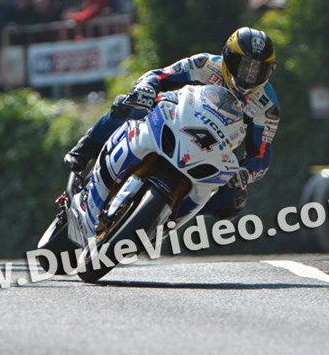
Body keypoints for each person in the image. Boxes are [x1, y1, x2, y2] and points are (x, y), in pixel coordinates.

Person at [63, 27, 280, 221]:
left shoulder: (267, 106)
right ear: (228, 58)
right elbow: (160, 75)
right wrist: (146, 88)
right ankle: (85, 148)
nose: (249, 76)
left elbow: (260, 156)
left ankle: (168, 216)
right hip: (175, 118)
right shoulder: (206, 64)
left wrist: (244, 173)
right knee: (126, 104)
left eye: (257, 70)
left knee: (235, 200)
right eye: (244, 66)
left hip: (213, 151)